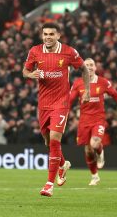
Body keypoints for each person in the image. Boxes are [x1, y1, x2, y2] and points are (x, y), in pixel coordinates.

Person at [22, 22, 90, 197]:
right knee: (47, 142)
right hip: (43, 103)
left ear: (58, 35)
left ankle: (49, 184)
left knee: (54, 140)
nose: (48, 37)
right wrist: (31, 74)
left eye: (51, 34)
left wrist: (87, 91)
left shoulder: (69, 52)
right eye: (45, 34)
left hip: (61, 102)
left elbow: (84, 69)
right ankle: (62, 164)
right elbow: (25, 70)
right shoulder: (35, 51)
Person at [69, 58, 117, 185]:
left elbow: (116, 96)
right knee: (88, 150)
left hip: (98, 119)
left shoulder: (103, 82)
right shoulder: (78, 83)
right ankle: (95, 176)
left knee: (95, 144)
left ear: (95, 68)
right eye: (86, 65)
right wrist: (60, 113)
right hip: (84, 121)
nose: (89, 67)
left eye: (91, 65)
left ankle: (100, 153)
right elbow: (69, 101)